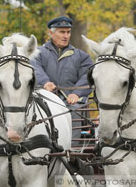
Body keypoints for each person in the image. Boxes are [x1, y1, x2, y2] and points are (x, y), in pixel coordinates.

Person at [31, 16, 94, 146]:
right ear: (51, 33)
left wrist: (77, 93)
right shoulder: (37, 53)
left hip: (71, 102)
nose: (66, 36)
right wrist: (45, 82)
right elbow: (34, 67)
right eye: (62, 32)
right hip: (44, 99)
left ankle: (72, 151)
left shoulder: (81, 56)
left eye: (68, 32)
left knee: (75, 109)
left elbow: (89, 75)